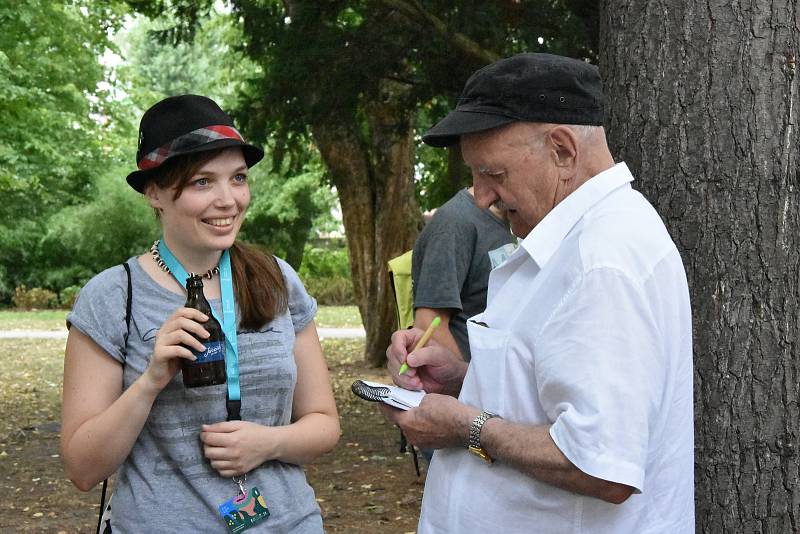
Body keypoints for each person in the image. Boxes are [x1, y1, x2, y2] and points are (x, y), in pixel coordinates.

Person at [382, 53, 694, 533]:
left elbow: (600, 464)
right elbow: (551, 396)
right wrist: (463, 380)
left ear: (563, 151)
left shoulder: (601, 258)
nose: (481, 196)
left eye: (494, 174)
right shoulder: (577, 240)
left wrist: (465, 427)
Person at [61, 95, 340, 533]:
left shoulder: (276, 279)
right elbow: (82, 467)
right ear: (154, 192)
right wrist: (151, 380)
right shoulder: (113, 297)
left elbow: (324, 423)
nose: (229, 200)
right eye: (202, 182)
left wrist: (268, 443)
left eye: (238, 178)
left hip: (291, 523)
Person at [412, 186, 515, 361]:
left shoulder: (517, 219)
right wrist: (470, 380)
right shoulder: (453, 222)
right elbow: (428, 325)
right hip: (466, 384)